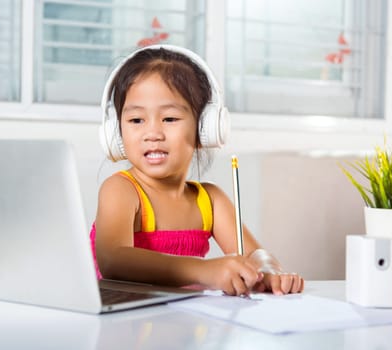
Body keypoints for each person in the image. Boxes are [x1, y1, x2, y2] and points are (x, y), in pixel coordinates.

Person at [92, 45, 304, 296]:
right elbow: (114, 261)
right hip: (122, 322)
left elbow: (254, 255)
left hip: (183, 322)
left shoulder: (210, 201)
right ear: (117, 133)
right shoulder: (121, 189)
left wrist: (269, 272)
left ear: (205, 128)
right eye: (136, 120)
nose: (153, 134)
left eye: (169, 119)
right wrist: (204, 271)